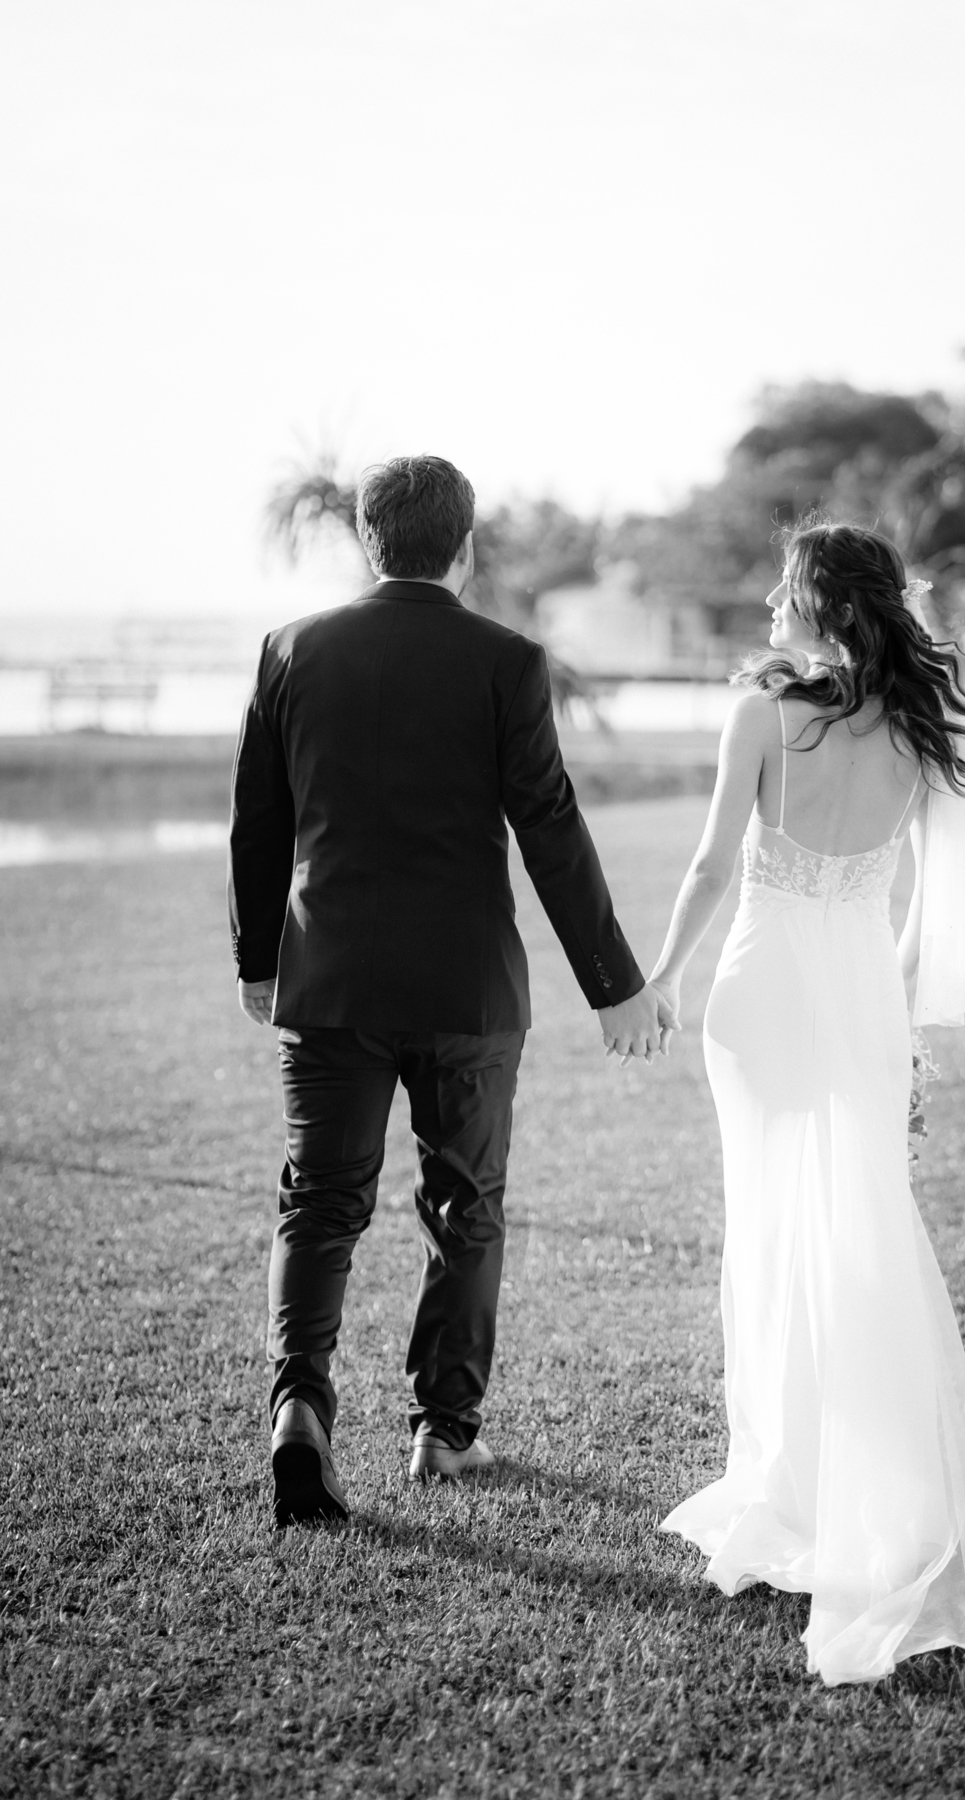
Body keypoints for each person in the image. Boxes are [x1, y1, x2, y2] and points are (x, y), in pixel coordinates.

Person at [649, 520, 965, 1686]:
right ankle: (863, 1475)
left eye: (784, 597)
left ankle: (792, 1476)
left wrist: (657, 981)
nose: (772, 616)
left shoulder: (763, 715)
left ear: (818, 609)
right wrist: (904, 1018)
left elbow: (710, 870)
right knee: (864, 1227)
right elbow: (933, 907)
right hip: (858, 993)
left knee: (776, 1226)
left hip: (760, 992)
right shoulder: (922, 732)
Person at [229, 454, 676, 1527]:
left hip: (328, 977)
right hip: (467, 989)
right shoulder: (507, 661)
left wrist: (258, 962)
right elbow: (551, 828)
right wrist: (613, 983)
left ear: (368, 540)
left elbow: (258, 822)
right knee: (464, 1209)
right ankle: (443, 1431)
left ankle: (300, 1412)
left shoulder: (291, 650)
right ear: (466, 548)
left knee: (321, 1203)